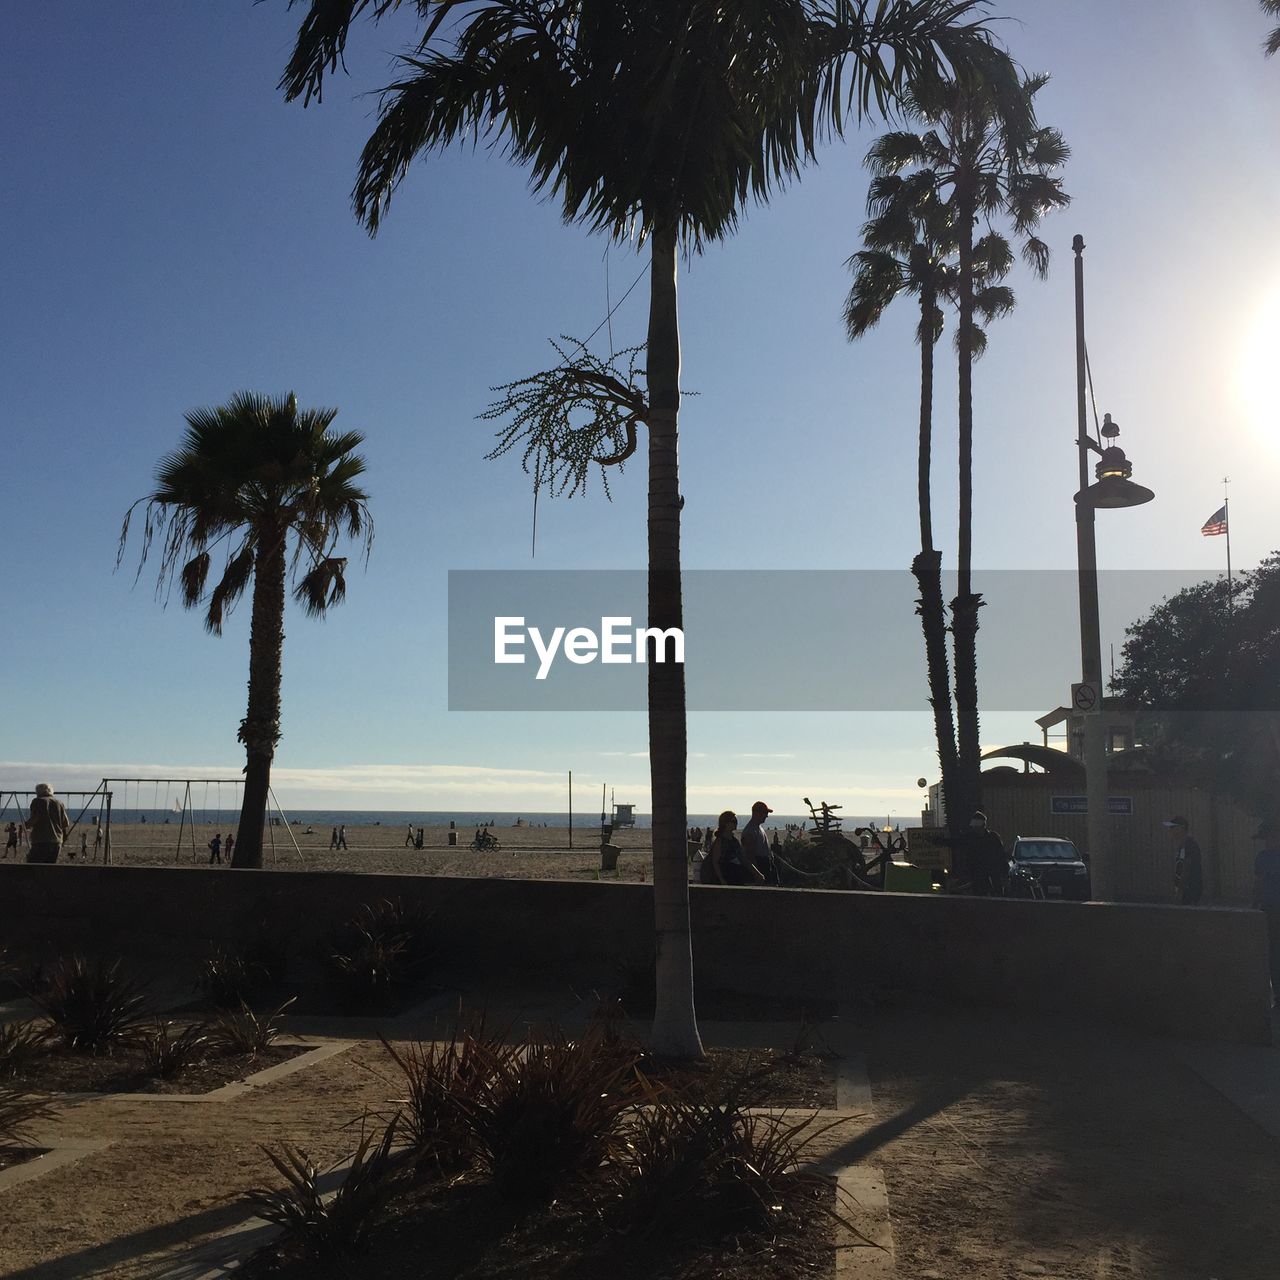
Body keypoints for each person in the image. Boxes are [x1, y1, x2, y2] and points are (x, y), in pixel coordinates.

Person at [1252, 819, 1280, 1007]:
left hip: (1271, 907)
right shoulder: (1262, 857)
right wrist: (1255, 904)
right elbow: (1258, 883)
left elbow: (1258, 883)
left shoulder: (1263, 857)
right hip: (1269, 907)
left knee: (1274, 950)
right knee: (1273, 950)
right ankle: (1277, 993)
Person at [946, 811, 1007, 895]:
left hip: (992, 875)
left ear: (982, 826)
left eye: (977, 827)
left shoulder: (992, 838)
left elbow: (1001, 856)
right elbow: (955, 842)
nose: (975, 829)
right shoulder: (971, 838)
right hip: (978, 876)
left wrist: (1004, 873)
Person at [705, 810, 760, 886]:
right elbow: (715, 862)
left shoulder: (734, 841)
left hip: (735, 876)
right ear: (725, 823)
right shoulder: (720, 841)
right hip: (725, 877)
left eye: (736, 821)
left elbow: (744, 859)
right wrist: (722, 880)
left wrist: (757, 873)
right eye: (733, 821)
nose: (736, 823)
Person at [25, 783, 70, 864]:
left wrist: (26, 824)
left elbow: (35, 819)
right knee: (49, 868)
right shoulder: (59, 803)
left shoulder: (37, 801)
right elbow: (66, 823)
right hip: (57, 841)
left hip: (41, 840)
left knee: (33, 866)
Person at [1165, 816, 1203, 905]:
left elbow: (1185, 868)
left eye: (1172, 827)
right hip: (1188, 888)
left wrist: (1179, 890)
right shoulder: (1184, 845)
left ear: (1181, 828)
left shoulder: (1188, 845)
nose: (1170, 830)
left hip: (1190, 888)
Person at [741, 801, 778, 885]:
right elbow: (749, 856)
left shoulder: (759, 828)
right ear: (757, 813)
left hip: (766, 865)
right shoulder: (750, 831)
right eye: (764, 813)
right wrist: (757, 874)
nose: (766, 816)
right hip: (759, 867)